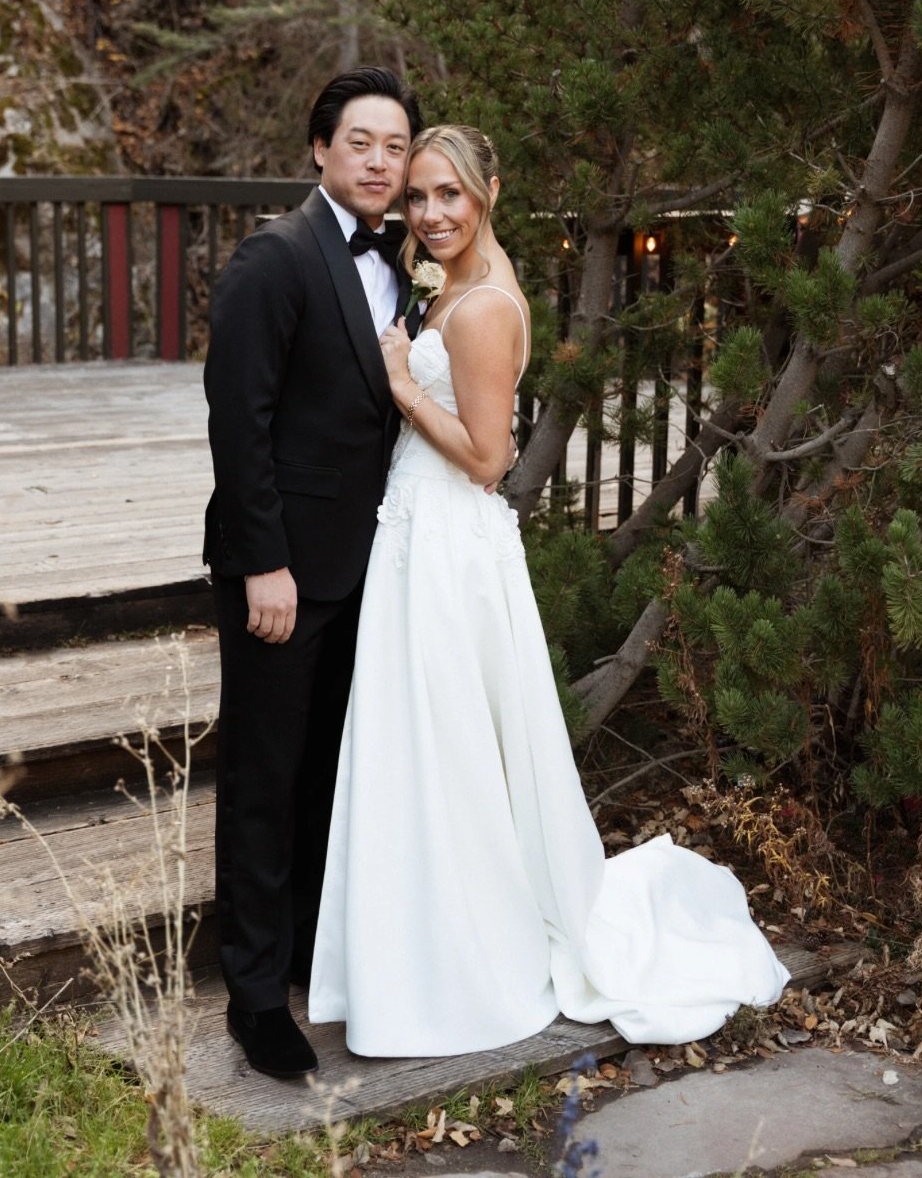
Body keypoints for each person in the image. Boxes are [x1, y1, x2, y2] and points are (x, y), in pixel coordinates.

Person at [308, 125, 790, 1057]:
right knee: (428, 743)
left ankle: (463, 962)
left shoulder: (484, 307)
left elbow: (489, 460)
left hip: (448, 542)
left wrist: (403, 385)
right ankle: (415, 949)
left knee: (444, 741)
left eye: (449, 193)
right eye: (417, 197)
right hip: (422, 537)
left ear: (490, 189)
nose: (430, 213)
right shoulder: (451, 285)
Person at [203, 66, 422, 1079]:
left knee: (328, 776)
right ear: (320, 151)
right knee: (263, 778)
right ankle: (254, 999)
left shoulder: (410, 261)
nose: (380, 160)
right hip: (285, 574)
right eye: (362, 142)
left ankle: (299, 957)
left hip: (367, 568)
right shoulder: (275, 258)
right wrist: (265, 566)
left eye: (395, 146)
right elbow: (237, 425)